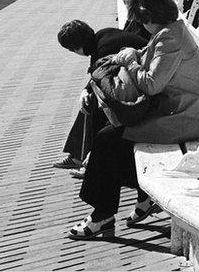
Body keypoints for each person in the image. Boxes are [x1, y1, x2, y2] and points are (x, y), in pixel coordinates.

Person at [68, 0, 199, 240]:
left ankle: (102, 215)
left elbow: (151, 83)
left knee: (108, 139)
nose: (139, 24)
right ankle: (138, 196)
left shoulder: (169, 39)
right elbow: (151, 56)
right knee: (113, 140)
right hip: (177, 109)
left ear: (149, 18)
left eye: (140, 19)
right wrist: (132, 53)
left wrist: (128, 61)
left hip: (185, 117)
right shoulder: (172, 31)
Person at [53, 20, 148, 171]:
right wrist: (85, 90)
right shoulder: (103, 36)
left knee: (96, 105)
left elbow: (103, 78)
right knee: (90, 99)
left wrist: (87, 92)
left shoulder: (103, 49)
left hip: (143, 95)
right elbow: (100, 75)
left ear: (76, 48)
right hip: (139, 83)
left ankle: (90, 162)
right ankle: (80, 157)